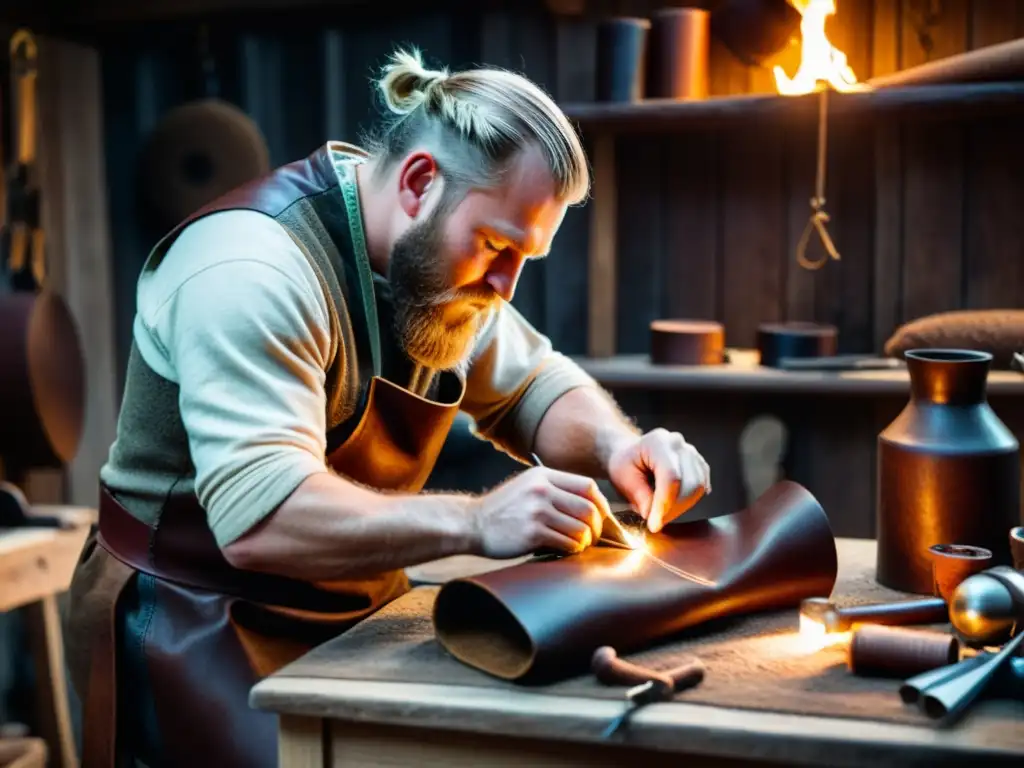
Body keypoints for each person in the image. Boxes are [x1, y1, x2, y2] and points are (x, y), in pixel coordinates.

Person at [65, 48, 711, 768]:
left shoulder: (446, 264)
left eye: (526, 257)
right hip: (193, 616)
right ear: (419, 182)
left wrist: (619, 449)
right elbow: (261, 516)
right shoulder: (248, 268)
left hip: (347, 600)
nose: (507, 286)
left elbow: (535, 384)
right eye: (497, 246)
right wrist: (476, 521)